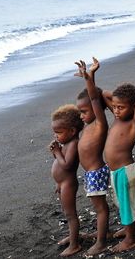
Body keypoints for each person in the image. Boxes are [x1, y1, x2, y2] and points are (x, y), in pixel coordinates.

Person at [102, 82, 135, 252]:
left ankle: (131, 239)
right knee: (122, 203)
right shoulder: (117, 118)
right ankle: (129, 230)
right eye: (114, 107)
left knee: (127, 205)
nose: (117, 111)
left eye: (121, 107)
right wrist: (90, 77)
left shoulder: (134, 122)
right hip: (117, 172)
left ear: (132, 107)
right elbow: (105, 93)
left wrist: (134, 105)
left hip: (126, 171)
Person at [74, 58, 110, 255]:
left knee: (100, 209)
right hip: (90, 173)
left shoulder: (99, 124)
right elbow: (93, 96)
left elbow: (95, 100)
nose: (80, 115)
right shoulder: (89, 124)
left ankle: (101, 242)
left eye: (83, 111)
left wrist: (88, 77)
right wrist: (90, 77)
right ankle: (106, 234)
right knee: (99, 207)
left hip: (96, 172)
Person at [48, 104, 84, 257]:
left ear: (72, 131)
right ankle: (72, 236)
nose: (56, 136)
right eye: (55, 133)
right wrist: (55, 151)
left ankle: (75, 245)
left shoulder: (74, 144)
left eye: (58, 132)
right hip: (61, 184)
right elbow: (60, 162)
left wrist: (57, 151)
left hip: (68, 184)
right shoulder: (66, 143)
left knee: (71, 215)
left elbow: (67, 165)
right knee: (66, 213)